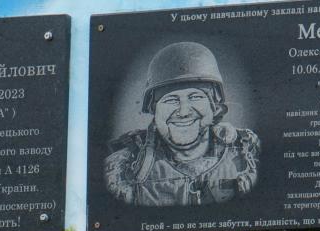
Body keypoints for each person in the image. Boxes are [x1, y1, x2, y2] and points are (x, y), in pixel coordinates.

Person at [103, 41, 259, 207]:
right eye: (171, 99)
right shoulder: (122, 169)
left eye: (195, 97)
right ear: (154, 110)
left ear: (214, 106)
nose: (183, 112)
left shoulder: (249, 154)